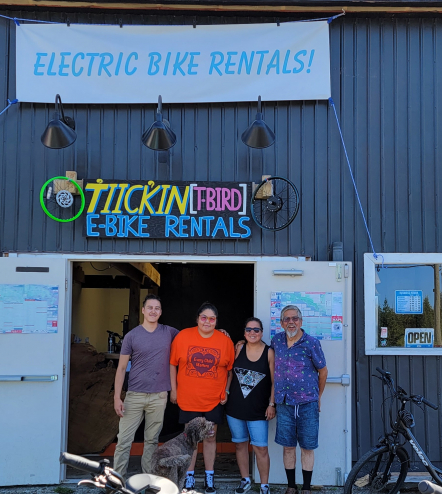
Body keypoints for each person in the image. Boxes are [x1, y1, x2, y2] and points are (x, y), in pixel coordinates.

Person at [170, 302, 235, 494]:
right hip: (188, 398)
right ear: (197, 319)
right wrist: (173, 390)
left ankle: (209, 477)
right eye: (204, 317)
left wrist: (227, 391)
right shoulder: (183, 336)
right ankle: (189, 478)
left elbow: (230, 370)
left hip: (213, 399)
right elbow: (172, 364)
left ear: (216, 321)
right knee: (191, 440)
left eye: (212, 318)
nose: (207, 321)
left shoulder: (224, 341)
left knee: (210, 438)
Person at [113, 294, 179, 478]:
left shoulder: (169, 332)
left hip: (159, 396)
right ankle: (116, 481)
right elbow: (121, 368)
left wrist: (218, 331)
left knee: (152, 441)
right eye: (150, 307)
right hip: (134, 395)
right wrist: (117, 397)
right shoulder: (132, 336)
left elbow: (193, 338)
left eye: (157, 308)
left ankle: (147, 480)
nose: (153, 311)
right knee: (124, 440)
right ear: (143, 310)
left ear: (161, 312)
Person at [271, 305, 328, 494]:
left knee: (307, 447)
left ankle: (306, 487)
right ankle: (291, 486)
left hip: (307, 403)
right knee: (288, 447)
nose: (291, 322)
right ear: (281, 323)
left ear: (301, 321)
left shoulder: (311, 343)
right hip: (284, 403)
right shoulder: (276, 341)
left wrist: (318, 397)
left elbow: (323, 371)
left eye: (294, 318)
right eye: (286, 319)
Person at [225, 317, 275, 494]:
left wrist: (272, 404)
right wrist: (226, 392)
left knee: (260, 448)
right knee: (240, 445)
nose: (252, 333)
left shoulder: (269, 352)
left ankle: (264, 485)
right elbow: (229, 372)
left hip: (259, 409)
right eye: (249, 330)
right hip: (235, 408)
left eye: (256, 330)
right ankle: (245, 479)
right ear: (244, 332)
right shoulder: (238, 348)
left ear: (262, 332)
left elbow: (275, 381)